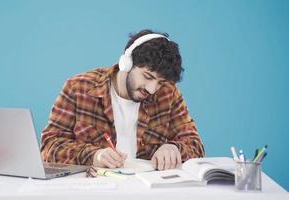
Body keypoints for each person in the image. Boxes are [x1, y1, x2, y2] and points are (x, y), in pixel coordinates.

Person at [40, 29, 205, 171]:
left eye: (160, 82)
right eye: (147, 76)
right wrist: (93, 155)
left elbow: (195, 145)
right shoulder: (78, 88)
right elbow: (49, 146)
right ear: (127, 63)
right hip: (96, 190)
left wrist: (174, 148)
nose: (152, 89)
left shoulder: (169, 94)